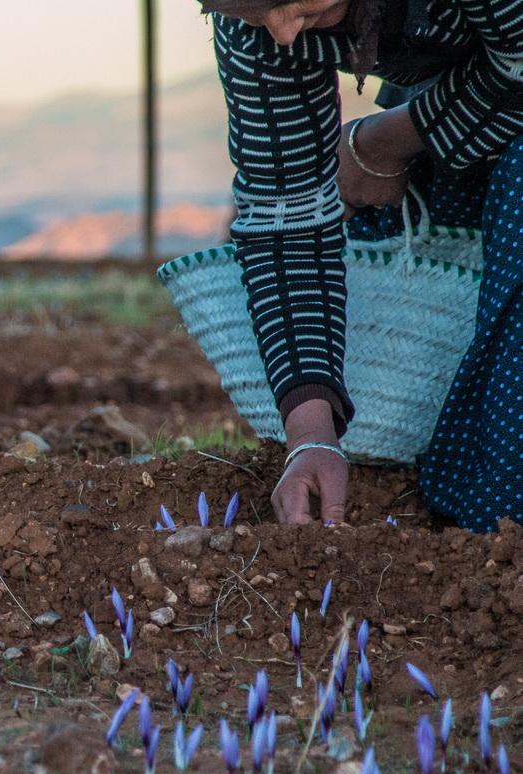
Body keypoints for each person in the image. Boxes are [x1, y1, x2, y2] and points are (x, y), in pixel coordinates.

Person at [206, 0, 523, 530]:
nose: (281, 31)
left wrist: (381, 140)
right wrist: (311, 435)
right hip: (473, 88)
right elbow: (286, 214)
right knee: (397, 215)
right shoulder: (255, 20)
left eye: (286, 0)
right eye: (253, 13)